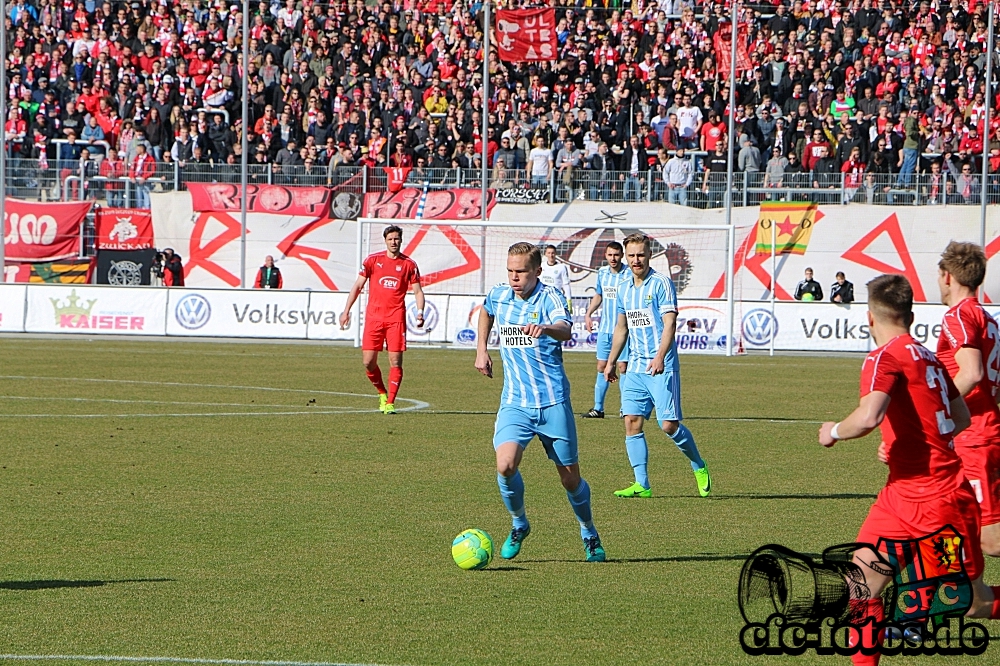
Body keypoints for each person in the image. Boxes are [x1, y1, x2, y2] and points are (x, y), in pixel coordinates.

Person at [818, 275, 1000, 666]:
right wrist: (906, 440)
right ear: (911, 315)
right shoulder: (928, 354)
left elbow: (869, 416)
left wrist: (831, 432)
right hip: (899, 499)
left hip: (941, 506)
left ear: (869, 317)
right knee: (862, 586)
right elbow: (962, 417)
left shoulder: (882, 357)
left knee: (967, 603)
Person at [474, 242, 605, 563]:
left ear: (537, 271)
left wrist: (545, 327)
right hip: (515, 403)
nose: (514, 277)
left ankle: (588, 531)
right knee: (505, 465)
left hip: (552, 403)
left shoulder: (551, 297)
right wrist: (481, 349)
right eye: (510, 270)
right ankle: (519, 523)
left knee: (570, 478)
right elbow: (486, 310)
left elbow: (565, 329)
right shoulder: (500, 295)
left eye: (521, 271)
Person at [604, 233, 711, 499]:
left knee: (668, 425)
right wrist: (611, 362)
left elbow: (670, 323)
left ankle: (698, 464)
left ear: (649, 255)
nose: (635, 260)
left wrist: (660, 355)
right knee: (631, 422)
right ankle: (642, 484)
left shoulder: (661, 283)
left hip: (661, 365)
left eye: (640, 255)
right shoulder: (623, 287)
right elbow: (621, 328)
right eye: (631, 255)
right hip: (636, 367)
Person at [935, 242, 1000, 558]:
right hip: (973, 435)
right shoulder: (988, 320)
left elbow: (972, 372)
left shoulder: (957, 316)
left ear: (947, 277)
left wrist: (934, 408)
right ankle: (952, 592)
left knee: (991, 540)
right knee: (948, 518)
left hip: (974, 438)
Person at [339, 225, 425, 415]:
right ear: (385, 240)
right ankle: (382, 393)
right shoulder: (372, 261)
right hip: (374, 319)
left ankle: (391, 403)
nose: (394, 242)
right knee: (368, 362)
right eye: (390, 239)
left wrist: (420, 312)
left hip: (396, 319)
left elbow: (418, 291)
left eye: (397, 239)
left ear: (401, 241)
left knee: (395, 361)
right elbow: (357, 286)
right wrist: (346, 311)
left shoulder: (409, 264)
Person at [582, 242, 629, 419]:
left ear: (622, 255)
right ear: (606, 255)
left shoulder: (629, 274)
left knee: (623, 367)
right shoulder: (602, 273)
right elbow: (599, 295)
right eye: (610, 255)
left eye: (616, 255)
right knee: (602, 366)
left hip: (623, 330)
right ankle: (598, 408)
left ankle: (626, 408)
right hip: (605, 329)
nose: (613, 258)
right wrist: (588, 314)